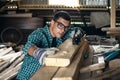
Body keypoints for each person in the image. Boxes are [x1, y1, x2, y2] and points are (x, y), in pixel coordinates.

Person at [16, 11, 85, 80]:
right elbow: (28, 46)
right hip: (27, 77)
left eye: (66, 27)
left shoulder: (62, 34)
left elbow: (76, 29)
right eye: (60, 25)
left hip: (44, 75)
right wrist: (38, 52)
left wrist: (78, 32)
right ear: (52, 22)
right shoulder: (39, 33)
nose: (62, 30)